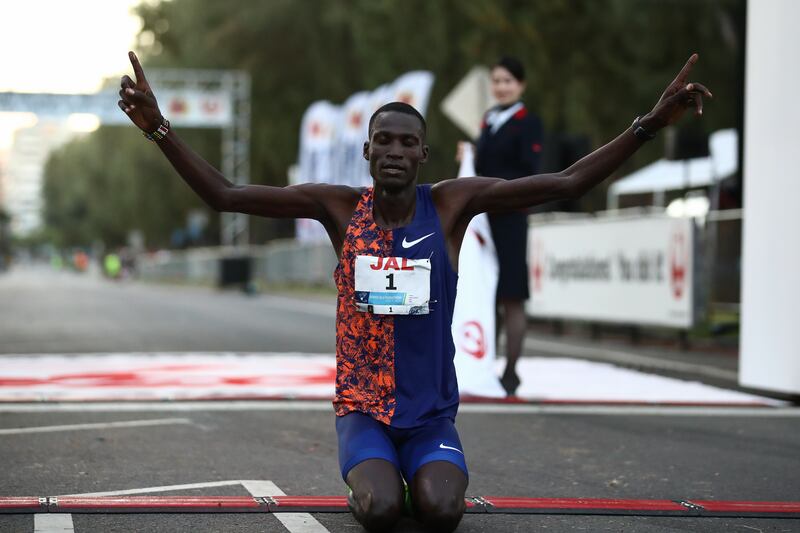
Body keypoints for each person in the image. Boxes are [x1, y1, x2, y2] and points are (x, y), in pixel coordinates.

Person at [118, 51, 710, 533]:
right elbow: (227, 195)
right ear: (367, 150)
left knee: (442, 511)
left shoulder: (452, 205)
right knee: (379, 511)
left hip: (429, 414)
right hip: (363, 411)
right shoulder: (337, 208)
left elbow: (565, 181)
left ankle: (416, 473)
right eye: (385, 141)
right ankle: (376, 476)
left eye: (407, 143)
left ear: (424, 154)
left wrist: (650, 124)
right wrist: (160, 131)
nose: (395, 152)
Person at [471, 56, 544, 396]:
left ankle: (511, 370)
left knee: (511, 295)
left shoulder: (528, 122)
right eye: (496, 81)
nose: (501, 87)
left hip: (511, 216)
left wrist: (498, 188)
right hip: (484, 218)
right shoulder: (488, 119)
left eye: (507, 81)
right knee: (485, 291)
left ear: (521, 85)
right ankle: (483, 362)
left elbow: (530, 170)